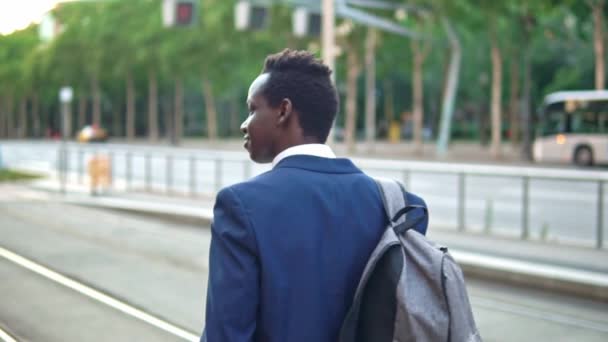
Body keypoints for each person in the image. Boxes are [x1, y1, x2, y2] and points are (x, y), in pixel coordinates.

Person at [201, 49, 427, 342]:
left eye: (252, 109)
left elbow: (226, 335)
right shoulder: (399, 205)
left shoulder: (241, 206)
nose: (245, 123)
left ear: (283, 111)